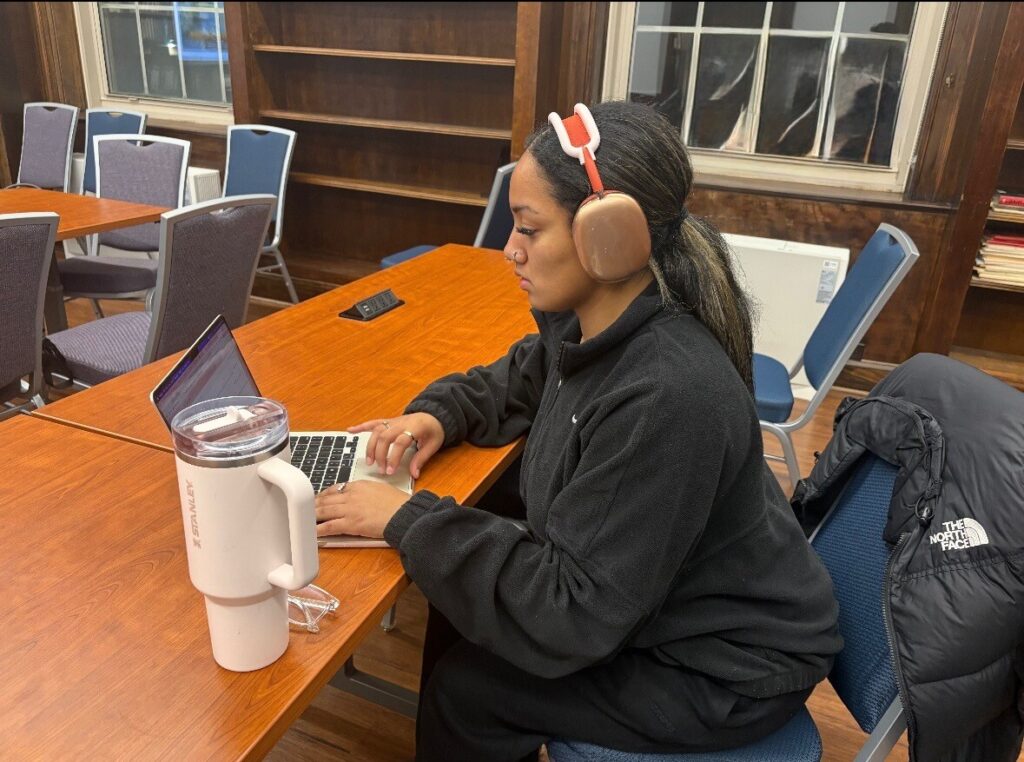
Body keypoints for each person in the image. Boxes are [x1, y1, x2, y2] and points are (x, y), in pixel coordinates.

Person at [314, 100, 842, 761]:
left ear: (609, 237)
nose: (509, 249)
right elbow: (527, 376)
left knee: (469, 691)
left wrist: (406, 520)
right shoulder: (600, 322)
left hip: (722, 670)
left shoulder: (665, 394)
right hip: (659, 605)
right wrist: (437, 416)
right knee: (461, 594)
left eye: (529, 229)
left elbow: (573, 614)